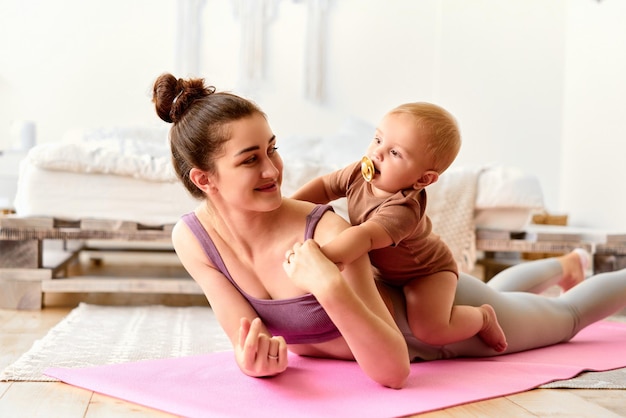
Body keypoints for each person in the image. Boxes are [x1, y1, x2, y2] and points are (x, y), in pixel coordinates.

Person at [153, 73, 626, 390]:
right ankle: (565, 264)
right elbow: (244, 335)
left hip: (442, 326)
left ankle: (577, 276)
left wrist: (328, 284)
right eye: (250, 158)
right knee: (505, 295)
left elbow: (393, 372)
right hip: (433, 297)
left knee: (566, 318)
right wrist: (249, 361)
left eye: (271, 148)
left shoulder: (327, 231)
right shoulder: (193, 238)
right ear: (204, 179)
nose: (273, 168)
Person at [291, 102, 508, 352]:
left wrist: (324, 260)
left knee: (430, 329)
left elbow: (365, 236)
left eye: (395, 153)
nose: (378, 153)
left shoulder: (404, 208)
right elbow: (325, 186)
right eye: (378, 139)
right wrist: (289, 208)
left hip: (425, 272)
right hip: (383, 270)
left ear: (423, 179)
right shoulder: (359, 173)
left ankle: (482, 318)